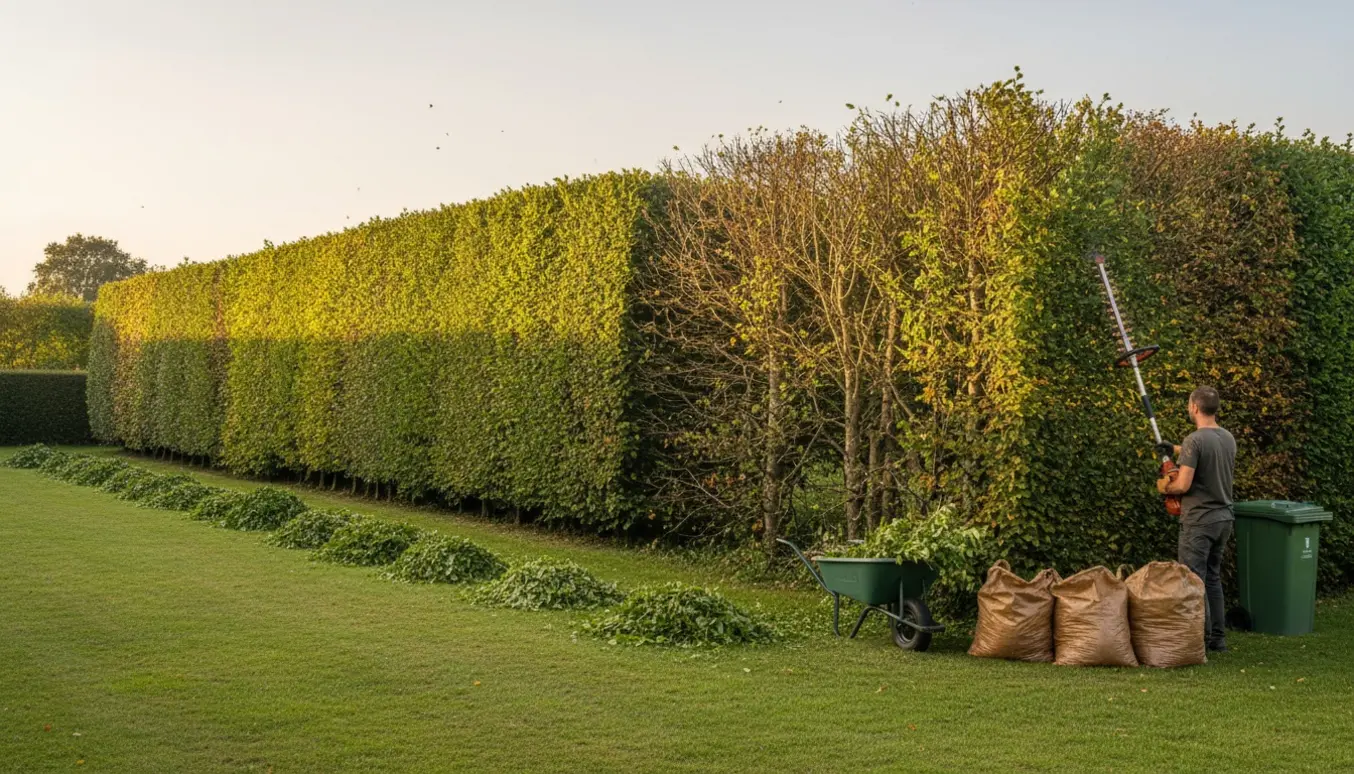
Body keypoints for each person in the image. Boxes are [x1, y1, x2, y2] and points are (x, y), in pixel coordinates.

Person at [1157, 385, 1236, 653]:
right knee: (1212, 578)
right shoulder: (1227, 438)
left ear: (1194, 407)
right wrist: (1174, 449)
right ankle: (1217, 639)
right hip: (1223, 518)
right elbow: (1204, 453)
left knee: (1192, 579)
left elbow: (1183, 485)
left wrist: (1165, 487)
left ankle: (1195, 640)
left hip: (1199, 520)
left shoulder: (1195, 440)